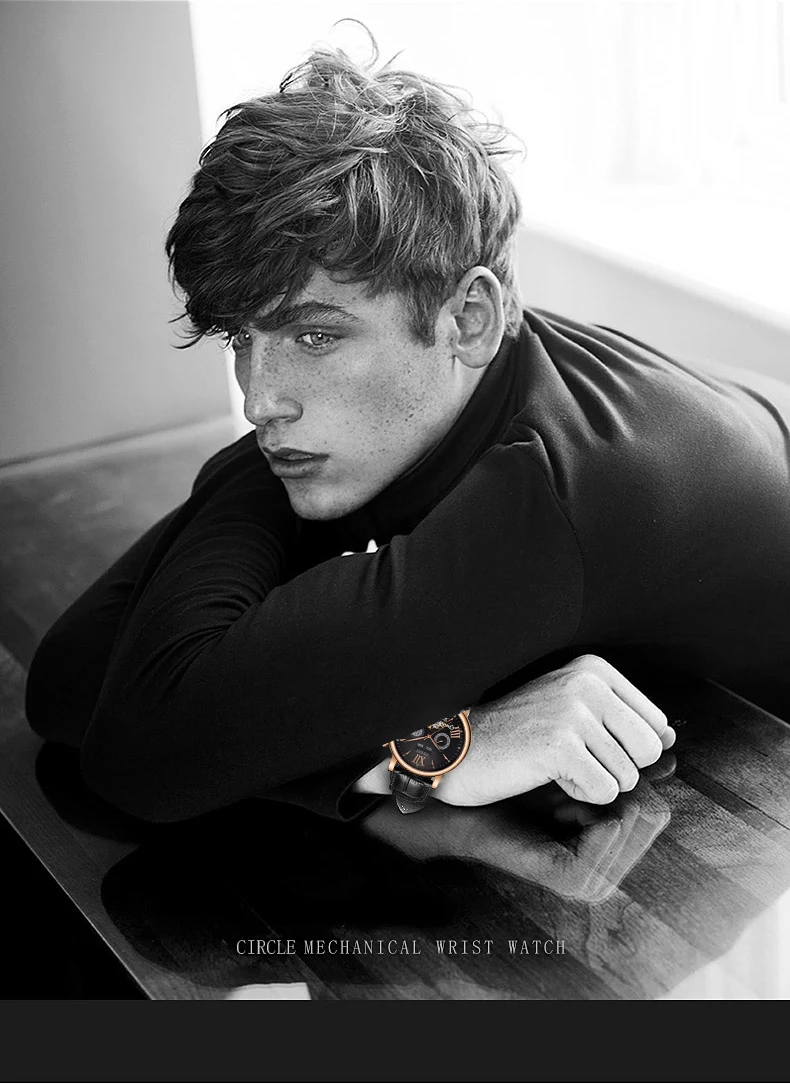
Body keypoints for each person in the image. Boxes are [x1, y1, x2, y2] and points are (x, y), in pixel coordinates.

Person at [25, 40, 790, 825]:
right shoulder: (409, 408)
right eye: (241, 339)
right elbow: (72, 678)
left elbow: (141, 752)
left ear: (469, 320)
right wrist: (432, 749)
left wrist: (414, 752)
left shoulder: (562, 495)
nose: (259, 400)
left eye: (314, 336)